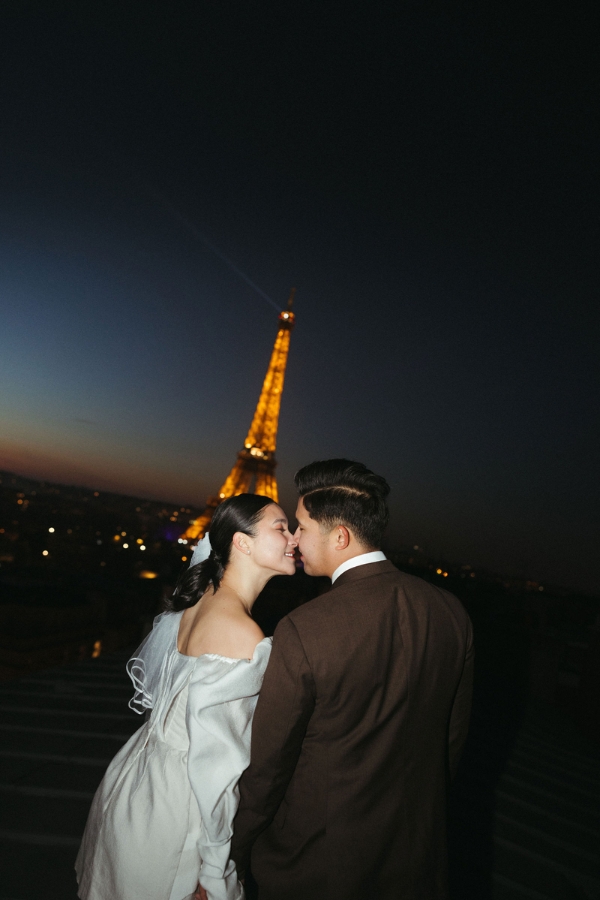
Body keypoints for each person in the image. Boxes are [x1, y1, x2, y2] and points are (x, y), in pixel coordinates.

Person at [229, 459, 474, 900]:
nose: (294, 539)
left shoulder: (305, 628)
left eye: (301, 527)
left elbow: (268, 769)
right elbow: (449, 745)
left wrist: (234, 852)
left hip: (314, 863)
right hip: (414, 857)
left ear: (340, 536)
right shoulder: (451, 612)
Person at [75, 493, 298, 900]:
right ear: (242, 543)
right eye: (280, 528)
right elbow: (216, 771)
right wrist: (215, 872)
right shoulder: (242, 634)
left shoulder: (199, 604)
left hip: (137, 787)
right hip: (177, 811)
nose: (293, 538)